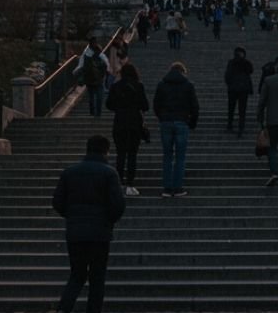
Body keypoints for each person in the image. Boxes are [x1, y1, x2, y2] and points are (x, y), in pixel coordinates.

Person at [50, 134, 126, 313]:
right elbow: (118, 205)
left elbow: (57, 202)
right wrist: (108, 220)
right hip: (100, 234)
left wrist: (72, 217)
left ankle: (62, 312)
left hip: (75, 233)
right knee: (97, 280)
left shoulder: (70, 172)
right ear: (106, 151)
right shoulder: (109, 173)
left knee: (77, 275)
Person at [153, 61, 199, 197]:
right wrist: (192, 122)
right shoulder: (188, 85)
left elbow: (156, 104)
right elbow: (195, 106)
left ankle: (167, 188)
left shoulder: (162, 84)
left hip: (166, 122)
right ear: (183, 72)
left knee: (167, 156)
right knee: (180, 157)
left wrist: (162, 117)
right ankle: (178, 188)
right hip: (182, 122)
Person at [105, 63, 149, 196]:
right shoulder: (139, 86)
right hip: (134, 124)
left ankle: (119, 183)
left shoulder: (116, 86)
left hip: (119, 123)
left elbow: (109, 104)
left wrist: (120, 108)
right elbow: (145, 105)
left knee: (120, 154)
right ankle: (130, 184)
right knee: (132, 155)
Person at [223, 46, 254, 137]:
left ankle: (230, 125)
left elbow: (227, 75)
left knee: (231, 108)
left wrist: (229, 84)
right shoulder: (246, 62)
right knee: (242, 110)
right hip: (243, 89)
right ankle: (241, 127)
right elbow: (251, 70)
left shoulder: (231, 62)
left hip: (233, 89)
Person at [75, 37, 109, 118]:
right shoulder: (99, 52)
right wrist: (106, 71)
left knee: (91, 96)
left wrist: (76, 72)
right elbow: (105, 63)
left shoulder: (86, 54)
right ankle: (98, 113)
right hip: (99, 78)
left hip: (89, 78)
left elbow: (81, 65)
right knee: (98, 96)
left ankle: (93, 111)